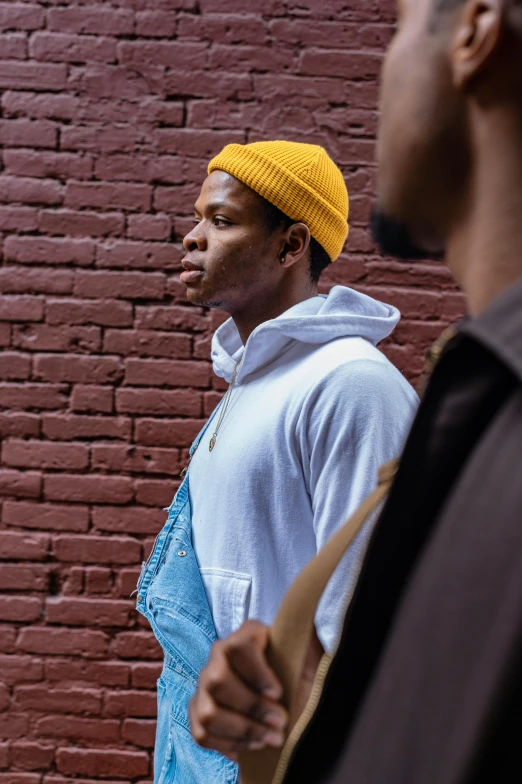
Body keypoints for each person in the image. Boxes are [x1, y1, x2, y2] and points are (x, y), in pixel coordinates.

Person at [189, 1, 522, 782]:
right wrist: (288, 704)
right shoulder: (471, 388)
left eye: (399, 22)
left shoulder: (365, 387)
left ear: (474, 30)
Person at [136, 139, 417, 783]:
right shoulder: (250, 384)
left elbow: (363, 629)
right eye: (198, 216)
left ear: (291, 246)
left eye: (222, 221)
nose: (192, 237)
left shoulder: (351, 385)